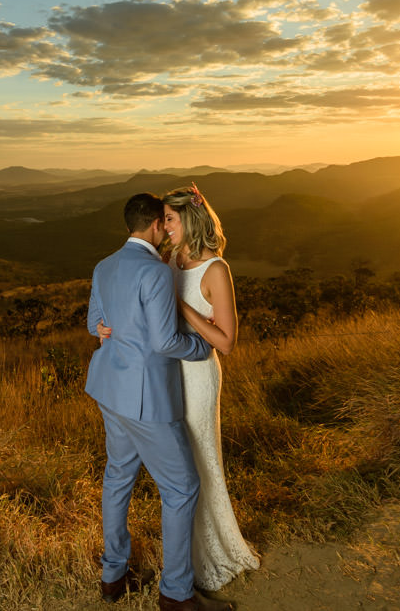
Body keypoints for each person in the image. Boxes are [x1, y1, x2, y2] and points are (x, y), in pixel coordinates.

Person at [85, 193, 235, 611]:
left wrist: (107, 329)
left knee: (117, 479)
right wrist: (200, 350)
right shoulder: (156, 272)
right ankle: (176, 593)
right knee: (182, 487)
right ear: (153, 224)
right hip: (147, 397)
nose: (166, 229)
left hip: (108, 390)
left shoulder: (104, 266)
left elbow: (94, 323)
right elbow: (166, 342)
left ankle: (113, 576)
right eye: (163, 222)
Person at [161, 184, 261, 592]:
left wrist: (181, 307)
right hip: (167, 373)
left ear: (189, 218)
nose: (163, 225)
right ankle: (185, 555)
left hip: (200, 376)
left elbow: (227, 341)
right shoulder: (170, 259)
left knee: (202, 462)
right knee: (178, 467)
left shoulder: (216, 269)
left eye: (168, 218)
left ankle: (213, 555)